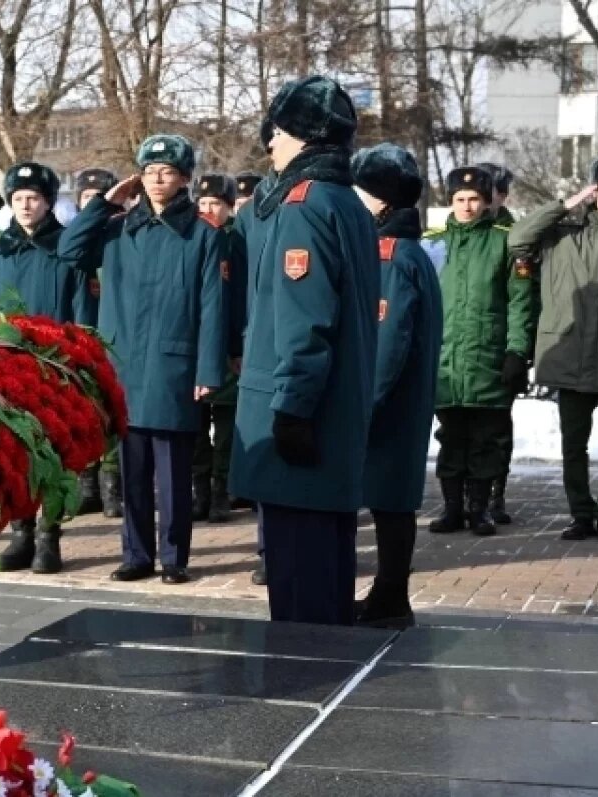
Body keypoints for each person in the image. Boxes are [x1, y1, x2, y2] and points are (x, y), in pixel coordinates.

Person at [229, 75, 379, 626]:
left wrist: (292, 409)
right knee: (328, 574)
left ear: (305, 136)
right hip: (335, 411)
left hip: (304, 416)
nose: (270, 141)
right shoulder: (346, 202)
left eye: (280, 130)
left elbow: (304, 321)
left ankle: (305, 672)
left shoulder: (303, 206)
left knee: (299, 593)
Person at [61, 134, 226, 586]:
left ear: (184, 179)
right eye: (150, 172)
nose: (157, 179)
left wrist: (208, 370)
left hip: (175, 365)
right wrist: (104, 203)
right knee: (132, 468)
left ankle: (174, 557)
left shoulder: (202, 233)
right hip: (125, 365)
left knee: (172, 472)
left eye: (167, 172)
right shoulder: (117, 228)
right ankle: (136, 554)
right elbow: (69, 250)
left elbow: (213, 305)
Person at [509, 157, 598, 543]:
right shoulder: (561, 234)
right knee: (573, 445)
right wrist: (565, 204)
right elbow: (518, 239)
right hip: (570, 355)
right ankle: (580, 515)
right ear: (593, 190)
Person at [0, 161, 97, 575]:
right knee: (17, 454)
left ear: (48, 203)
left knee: (55, 457)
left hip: (54, 370)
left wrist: (79, 363)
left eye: (35, 198)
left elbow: (82, 313)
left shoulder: (66, 252)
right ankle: (22, 533)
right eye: (19, 198)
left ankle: (49, 536)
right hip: (7, 372)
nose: (26, 206)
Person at [351, 144, 443, 629]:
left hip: (390, 403)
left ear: (382, 200)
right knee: (392, 500)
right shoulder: (409, 252)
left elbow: (388, 339)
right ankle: (388, 594)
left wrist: (365, 403)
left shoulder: (392, 255)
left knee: (389, 502)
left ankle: (390, 596)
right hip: (402, 399)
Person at [427, 167, 535, 537]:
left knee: (485, 440)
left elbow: (520, 302)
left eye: (474, 199)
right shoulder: (433, 244)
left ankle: (479, 509)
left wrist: (517, 351)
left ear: (487, 201)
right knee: (451, 436)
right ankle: (452, 508)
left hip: (487, 357)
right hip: (445, 359)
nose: (467, 206)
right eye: (460, 199)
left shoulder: (505, 242)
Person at [191, 173, 242, 525]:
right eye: (204, 203)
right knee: (196, 427)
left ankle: (222, 490)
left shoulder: (238, 240)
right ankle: (200, 491)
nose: (209, 209)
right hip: (198, 343)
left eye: (217, 204)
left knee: (226, 429)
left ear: (229, 207)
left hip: (229, 342)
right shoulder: (192, 237)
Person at [72, 167, 122, 518]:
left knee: (112, 413)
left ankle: (111, 484)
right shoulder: (77, 237)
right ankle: (87, 483)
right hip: (82, 334)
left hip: (114, 336)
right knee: (86, 413)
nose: (93, 205)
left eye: (99, 198)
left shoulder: (119, 235)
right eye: (87, 199)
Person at [476, 161, 519, 525]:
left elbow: (522, 300)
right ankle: (465, 497)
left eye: (490, 192)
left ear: (502, 196)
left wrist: (517, 350)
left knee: (497, 429)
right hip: (460, 348)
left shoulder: (514, 236)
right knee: (457, 429)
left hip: (499, 346)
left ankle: (494, 495)